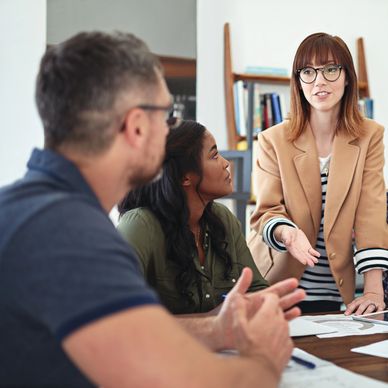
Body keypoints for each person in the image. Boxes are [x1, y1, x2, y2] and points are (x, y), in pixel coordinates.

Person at [0, 31, 305, 387]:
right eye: (168, 117)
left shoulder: (31, 210)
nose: (169, 132)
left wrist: (218, 327)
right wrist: (265, 363)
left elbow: (128, 337)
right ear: (137, 126)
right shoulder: (69, 234)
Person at [248, 32, 388, 315]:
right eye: (308, 72)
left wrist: (374, 290)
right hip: (277, 282)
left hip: (334, 290)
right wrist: (287, 233)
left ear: (347, 77)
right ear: (298, 82)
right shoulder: (271, 140)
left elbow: (371, 213)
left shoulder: (370, 135)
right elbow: (265, 212)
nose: (319, 81)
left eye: (331, 69)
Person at [117, 120, 268, 314]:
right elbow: (116, 315)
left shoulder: (223, 219)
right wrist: (211, 320)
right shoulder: (140, 226)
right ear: (184, 177)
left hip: (225, 345)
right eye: (213, 156)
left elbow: (257, 290)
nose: (226, 163)